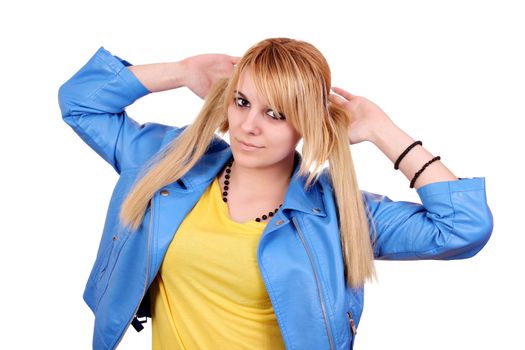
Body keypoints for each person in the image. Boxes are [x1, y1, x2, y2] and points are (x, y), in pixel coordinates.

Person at [58, 38, 493, 350]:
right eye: (243, 102)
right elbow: (80, 102)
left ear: (307, 123)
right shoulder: (172, 166)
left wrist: (384, 132)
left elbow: (463, 228)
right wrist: (182, 70)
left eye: (276, 113)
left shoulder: (338, 214)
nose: (249, 126)